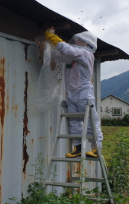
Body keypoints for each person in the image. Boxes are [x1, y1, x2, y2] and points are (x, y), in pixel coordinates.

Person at [44, 28, 103, 158]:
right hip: (71, 93)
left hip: (84, 92)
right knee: (74, 122)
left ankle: (96, 148)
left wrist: (55, 39)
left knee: (91, 121)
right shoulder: (75, 56)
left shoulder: (86, 54)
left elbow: (68, 50)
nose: (75, 41)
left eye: (79, 40)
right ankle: (78, 148)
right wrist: (45, 48)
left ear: (87, 43)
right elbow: (61, 56)